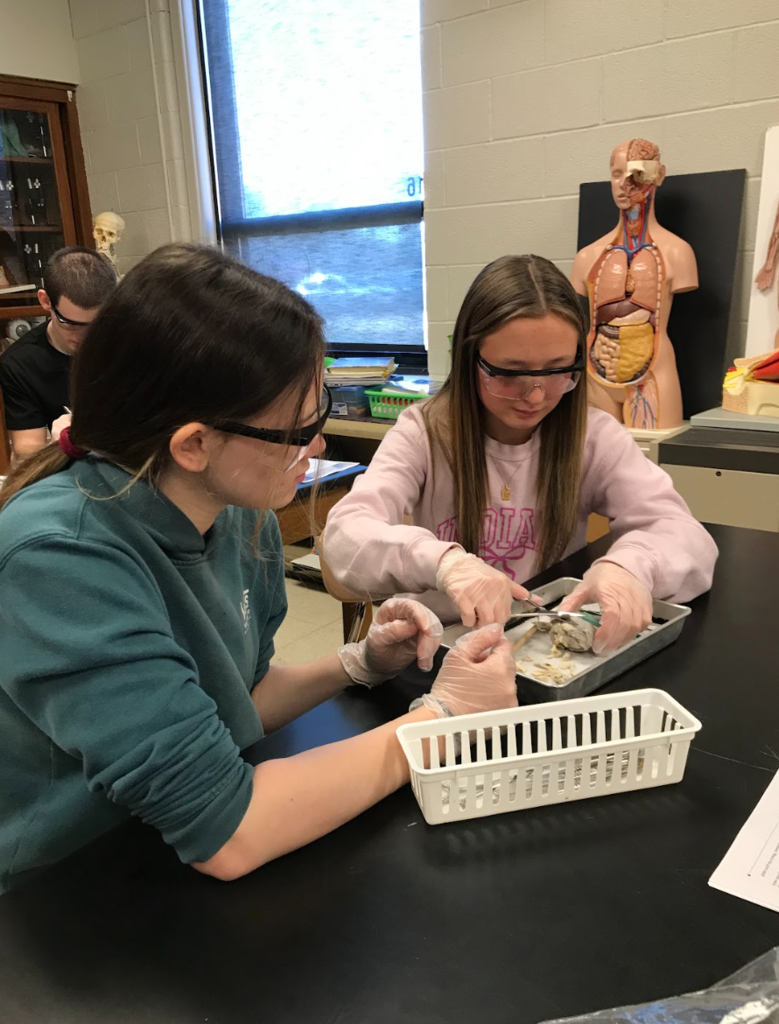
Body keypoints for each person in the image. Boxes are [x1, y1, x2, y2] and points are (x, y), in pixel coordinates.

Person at [0, 244, 518, 893]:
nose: (316, 445)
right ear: (193, 445)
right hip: (69, 894)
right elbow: (227, 830)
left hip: (162, 850)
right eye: (296, 431)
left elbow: (233, 701)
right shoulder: (59, 557)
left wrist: (355, 663)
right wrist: (439, 723)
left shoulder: (237, 511)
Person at [323, 254, 718, 652]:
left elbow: (685, 535)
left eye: (557, 370)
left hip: (545, 646)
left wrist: (631, 566)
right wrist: (443, 563)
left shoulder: (592, 436)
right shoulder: (424, 431)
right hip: (440, 646)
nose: (534, 396)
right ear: (469, 357)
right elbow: (345, 537)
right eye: (509, 373)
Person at [0, 246, 117, 463]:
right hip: (69, 471)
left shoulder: (129, 340)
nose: (84, 337)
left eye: (97, 324)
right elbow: (27, 449)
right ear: (45, 301)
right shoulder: (19, 364)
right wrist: (61, 443)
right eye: (71, 324)